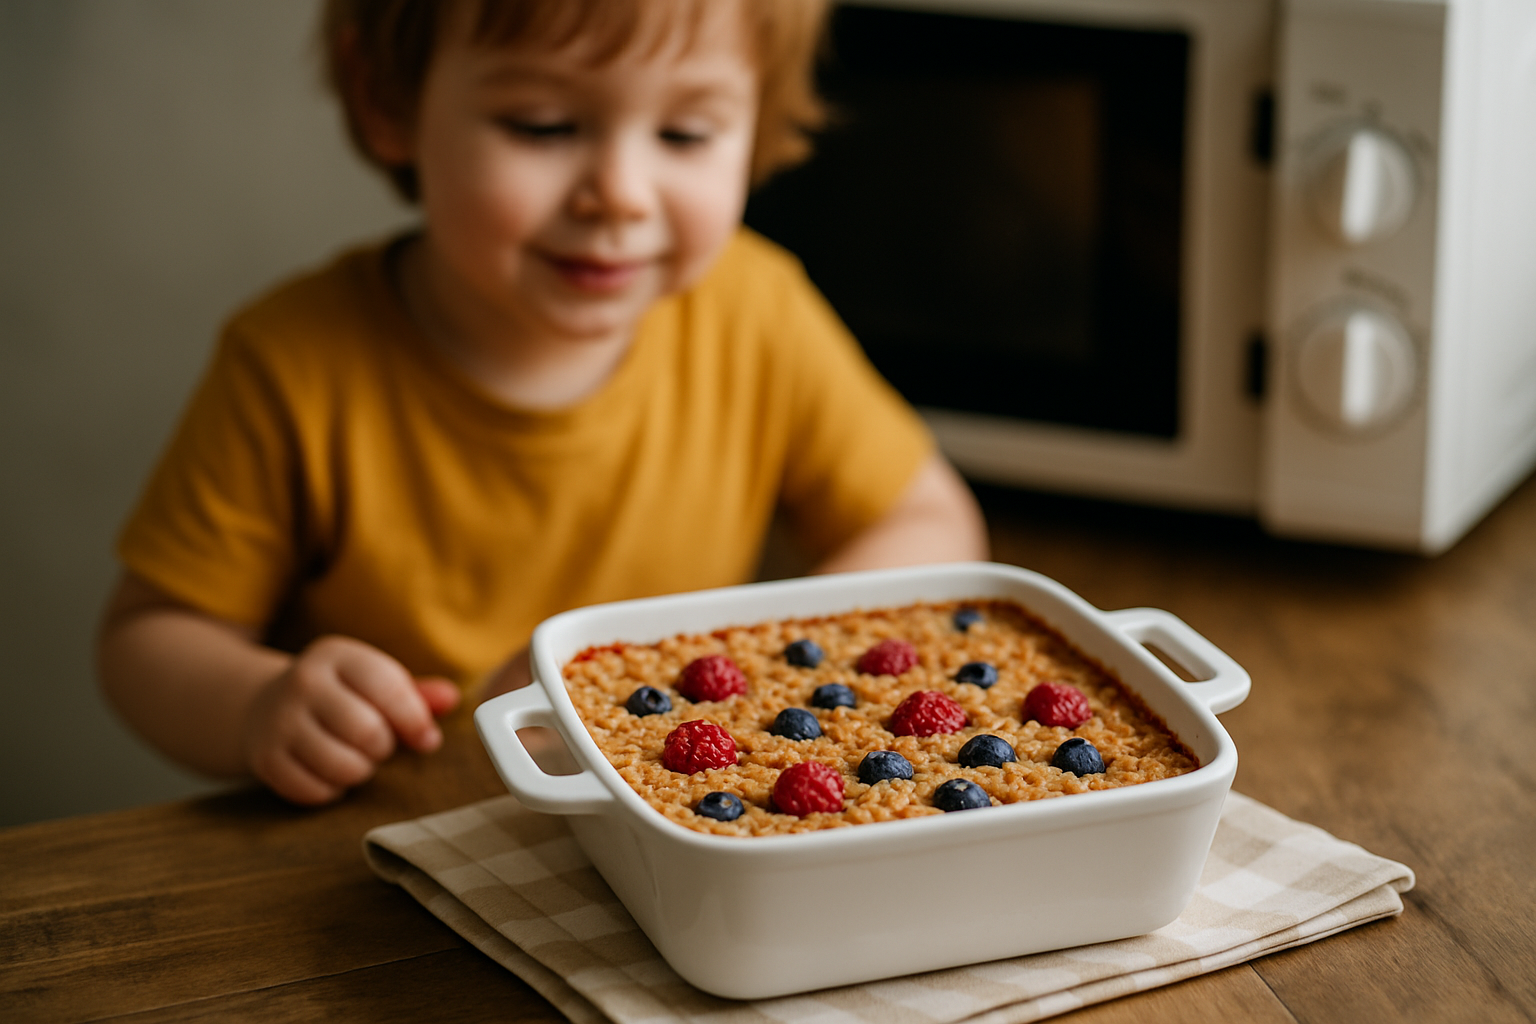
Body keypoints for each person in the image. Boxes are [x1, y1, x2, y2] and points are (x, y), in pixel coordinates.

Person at [97, 0, 988, 807]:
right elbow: (148, 640)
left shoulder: (758, 313)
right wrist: (260, 705)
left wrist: (754, 653)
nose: (621, 194)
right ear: (387, 100)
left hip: (681, 818)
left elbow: (929, 519)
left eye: (684, 133)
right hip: (404, 827)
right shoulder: (291, 365)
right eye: (544, 125)